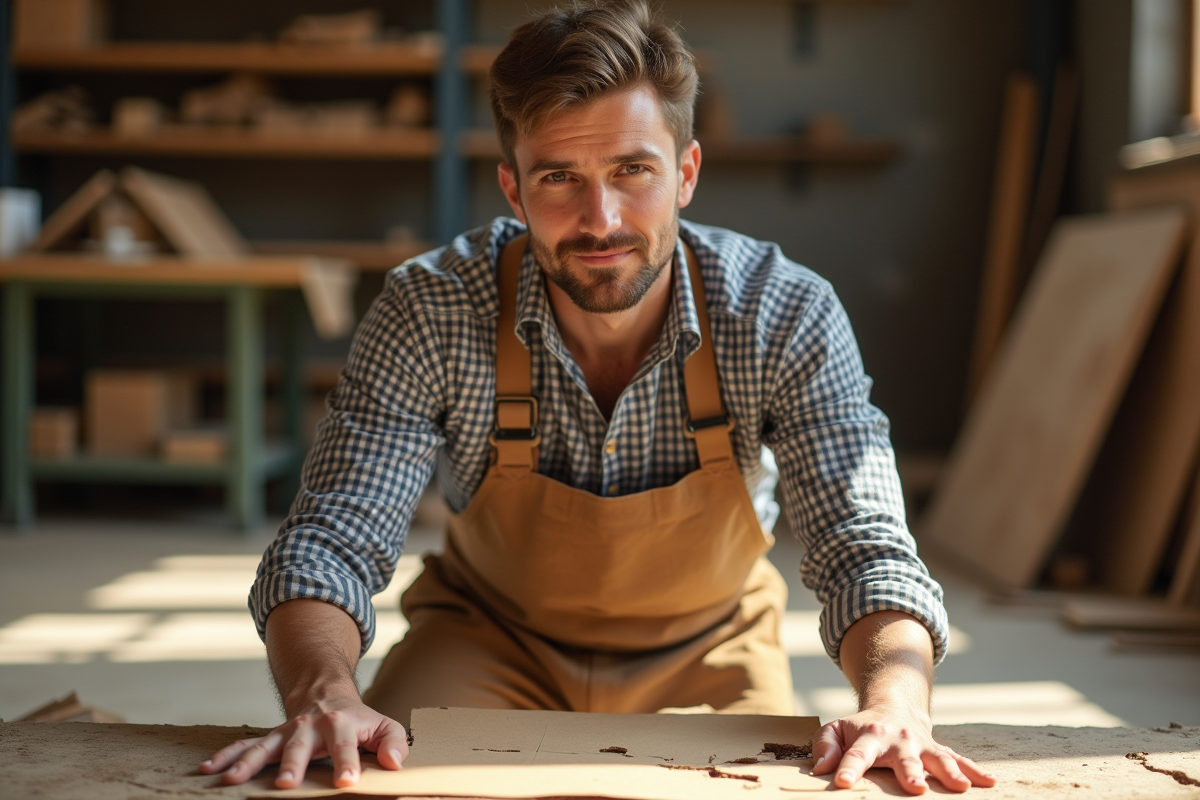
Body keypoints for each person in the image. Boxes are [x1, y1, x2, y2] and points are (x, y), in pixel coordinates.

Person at [201, 1, 996, 795]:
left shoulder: (783, 313)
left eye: (632, 171)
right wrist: (326, 695)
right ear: (512, 188)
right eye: (560, 178)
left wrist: (897, 704)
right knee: (377, 781)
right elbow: (332, 539)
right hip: (490, 639)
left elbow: (867, 547)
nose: (600, 219)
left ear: (685, 174)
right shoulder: (432, 309)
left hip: (710, 648)